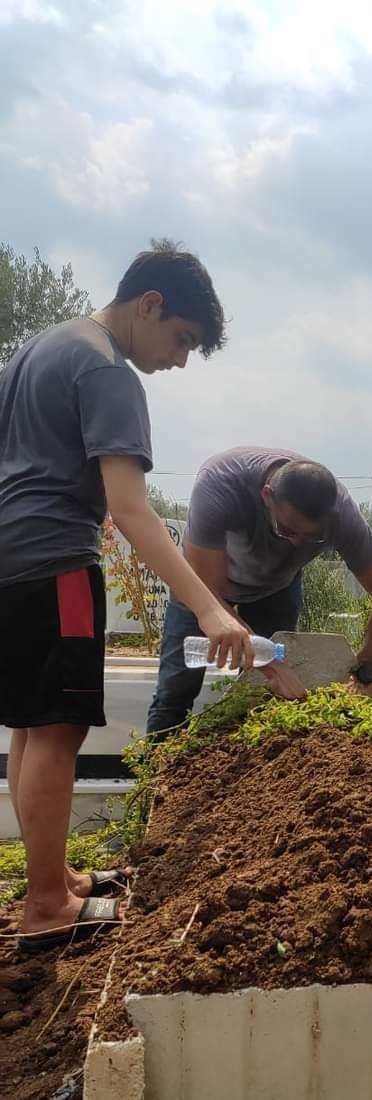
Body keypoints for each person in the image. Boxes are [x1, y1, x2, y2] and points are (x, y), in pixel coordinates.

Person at [0, 240, 252, 951]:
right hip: (55, 560)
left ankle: (49, 878)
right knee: (59, 729)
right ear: (149, 305)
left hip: (9, 560)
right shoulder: (107, 370)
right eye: (181, 339)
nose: (177, 360)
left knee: (30, 723)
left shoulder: (39, 349)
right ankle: (49, 906)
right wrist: (208, 606)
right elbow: (131, 508)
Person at [145, 447, 372, 735]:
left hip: (275, 591)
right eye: (287, 531)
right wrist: (272, 664)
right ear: (267, 496)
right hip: (204, 588)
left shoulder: (343, 517)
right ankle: (158, 772)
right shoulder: (221, 484)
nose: (296, 544)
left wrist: (363, 673)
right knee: (175, 693)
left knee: (265, 698)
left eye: (312, 538)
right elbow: (207, 591)